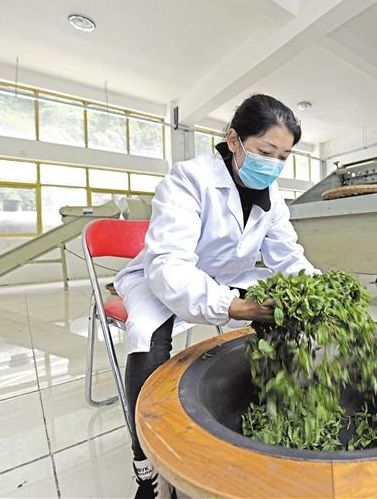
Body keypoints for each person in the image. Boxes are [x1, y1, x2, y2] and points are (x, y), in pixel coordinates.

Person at [114, 94, 318, 499]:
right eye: (266, 152)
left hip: (226, 276)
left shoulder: (272, 195)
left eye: (283, 157)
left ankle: (271, 408)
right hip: (163, 278)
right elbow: (169, 264)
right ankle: (146, 464)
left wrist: (319, 291)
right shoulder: (188, 179)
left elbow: (288, 257)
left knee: (289, 307)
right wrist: (233, 305)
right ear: (234, 140)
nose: (274, 165)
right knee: (147, 336)